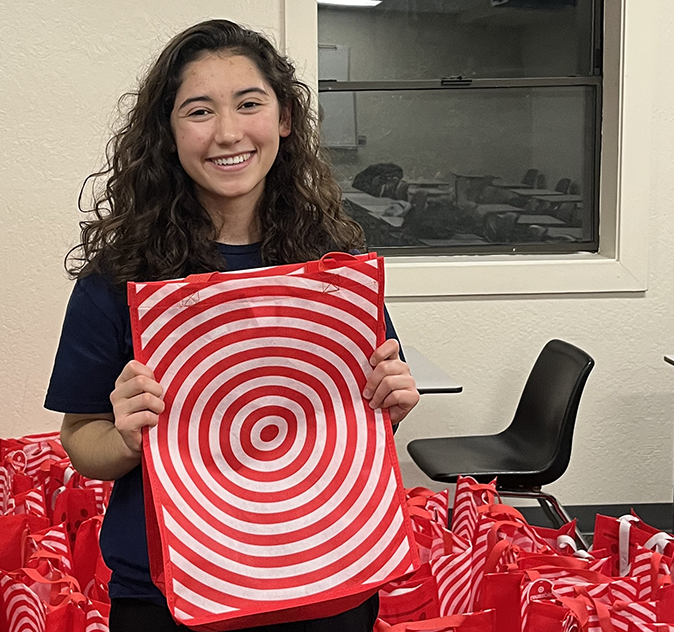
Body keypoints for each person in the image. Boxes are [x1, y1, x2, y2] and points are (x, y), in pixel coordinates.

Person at [45, 19, 420, 632]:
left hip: (328, 570)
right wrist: (127, 437)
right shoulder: (120, 278)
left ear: (284, 119)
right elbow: (81, 437)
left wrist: (391, 400)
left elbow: (360, 409)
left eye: (249, 104)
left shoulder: (334, 264)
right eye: (198, 111)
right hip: (171, 589)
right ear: (167, 133)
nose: (227, 133)